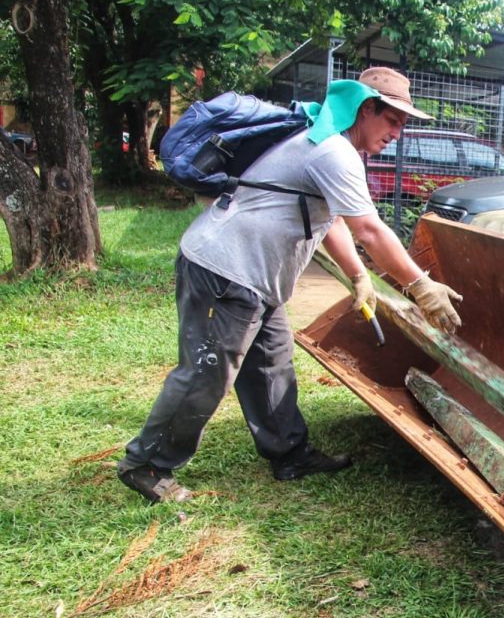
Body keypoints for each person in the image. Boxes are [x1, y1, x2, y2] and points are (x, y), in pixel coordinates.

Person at [117, 67, 462, 503]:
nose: (397, 133)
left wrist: (358, 275)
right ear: (365, 109)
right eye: (392, 120)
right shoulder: (332, 150)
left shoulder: (329, 144)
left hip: (259, 278)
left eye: (403, 124)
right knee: (207, 372)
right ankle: (147, 464)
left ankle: (289, 454)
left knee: (271, 364)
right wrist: (421, 286)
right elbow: (370, 230)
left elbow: (332, 219)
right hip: (227, 271)